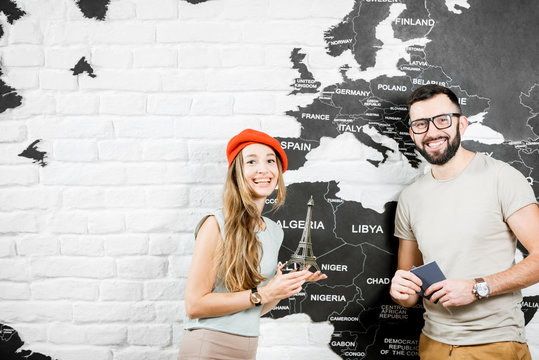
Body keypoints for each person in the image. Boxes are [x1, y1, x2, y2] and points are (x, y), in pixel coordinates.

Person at [389, 84, 539, 359]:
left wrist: (476, 288)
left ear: (463, 124)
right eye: (421, 124)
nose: (432, 132)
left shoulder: (502, 178)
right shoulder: (410, 198)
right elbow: (409, 292)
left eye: (442, 120)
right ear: (413, 133)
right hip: (432, 344)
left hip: (496, 345)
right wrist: (400, 292)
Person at [178, 129, 327, 360]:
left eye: (270, 161)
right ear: (237, 173)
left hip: (247, 347)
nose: (263, 169)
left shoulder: (274, 231)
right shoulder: (216, 223)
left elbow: (255, 307)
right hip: (208, 345)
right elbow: (195, 305)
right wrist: (263, 292)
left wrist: (281, 288)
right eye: (251, 161)